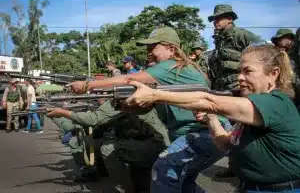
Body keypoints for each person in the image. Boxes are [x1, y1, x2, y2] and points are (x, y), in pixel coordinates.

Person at [55, 26, 230, 193]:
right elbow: (155, 107)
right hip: (207, 134)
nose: (148, 51)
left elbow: (128, 80)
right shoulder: (177, 71)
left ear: (171, 49)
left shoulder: (169, 66)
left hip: (204, 134)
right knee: (184, 185)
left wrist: (87, 85)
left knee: (163, 171)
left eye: (153, 46)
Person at [125, 42, 300, 192]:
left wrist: (155, 95)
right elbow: (225, 143)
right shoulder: (252, 108)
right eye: (240, 71)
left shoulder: (275, 102)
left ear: (273, 74)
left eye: (248, 71)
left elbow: (210, 101)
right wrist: (211, 118)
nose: (240, 77)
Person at [208, 3, 260, 178]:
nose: (215, 21)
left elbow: (264, 52)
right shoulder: (219, 39)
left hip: (241, 90)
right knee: (233, 131)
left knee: (246, 130)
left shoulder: (241, 35)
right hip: (225, 91)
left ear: (229, 19)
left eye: (219, 18)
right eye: (214, 18)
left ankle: (251, 168)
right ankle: (235, 167)